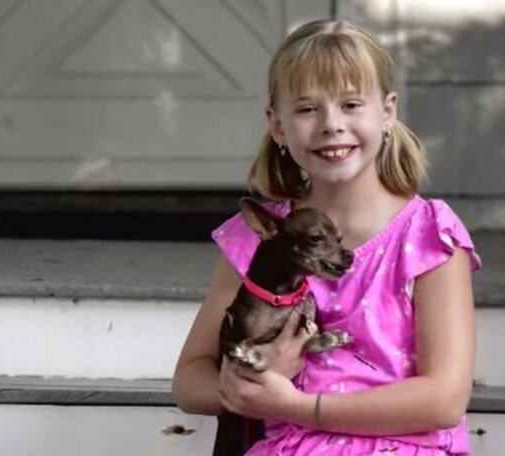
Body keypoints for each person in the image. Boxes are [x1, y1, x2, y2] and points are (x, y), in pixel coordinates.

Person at [172, 19, 482, 455]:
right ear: (277, 126)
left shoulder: (428, 236)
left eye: (351, 104)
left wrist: (298, 407)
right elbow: (189, 379)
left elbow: (444, 399)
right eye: (306, 109)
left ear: (387, 112)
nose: (331, 124)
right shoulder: (262, 238)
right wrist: (243, 388)